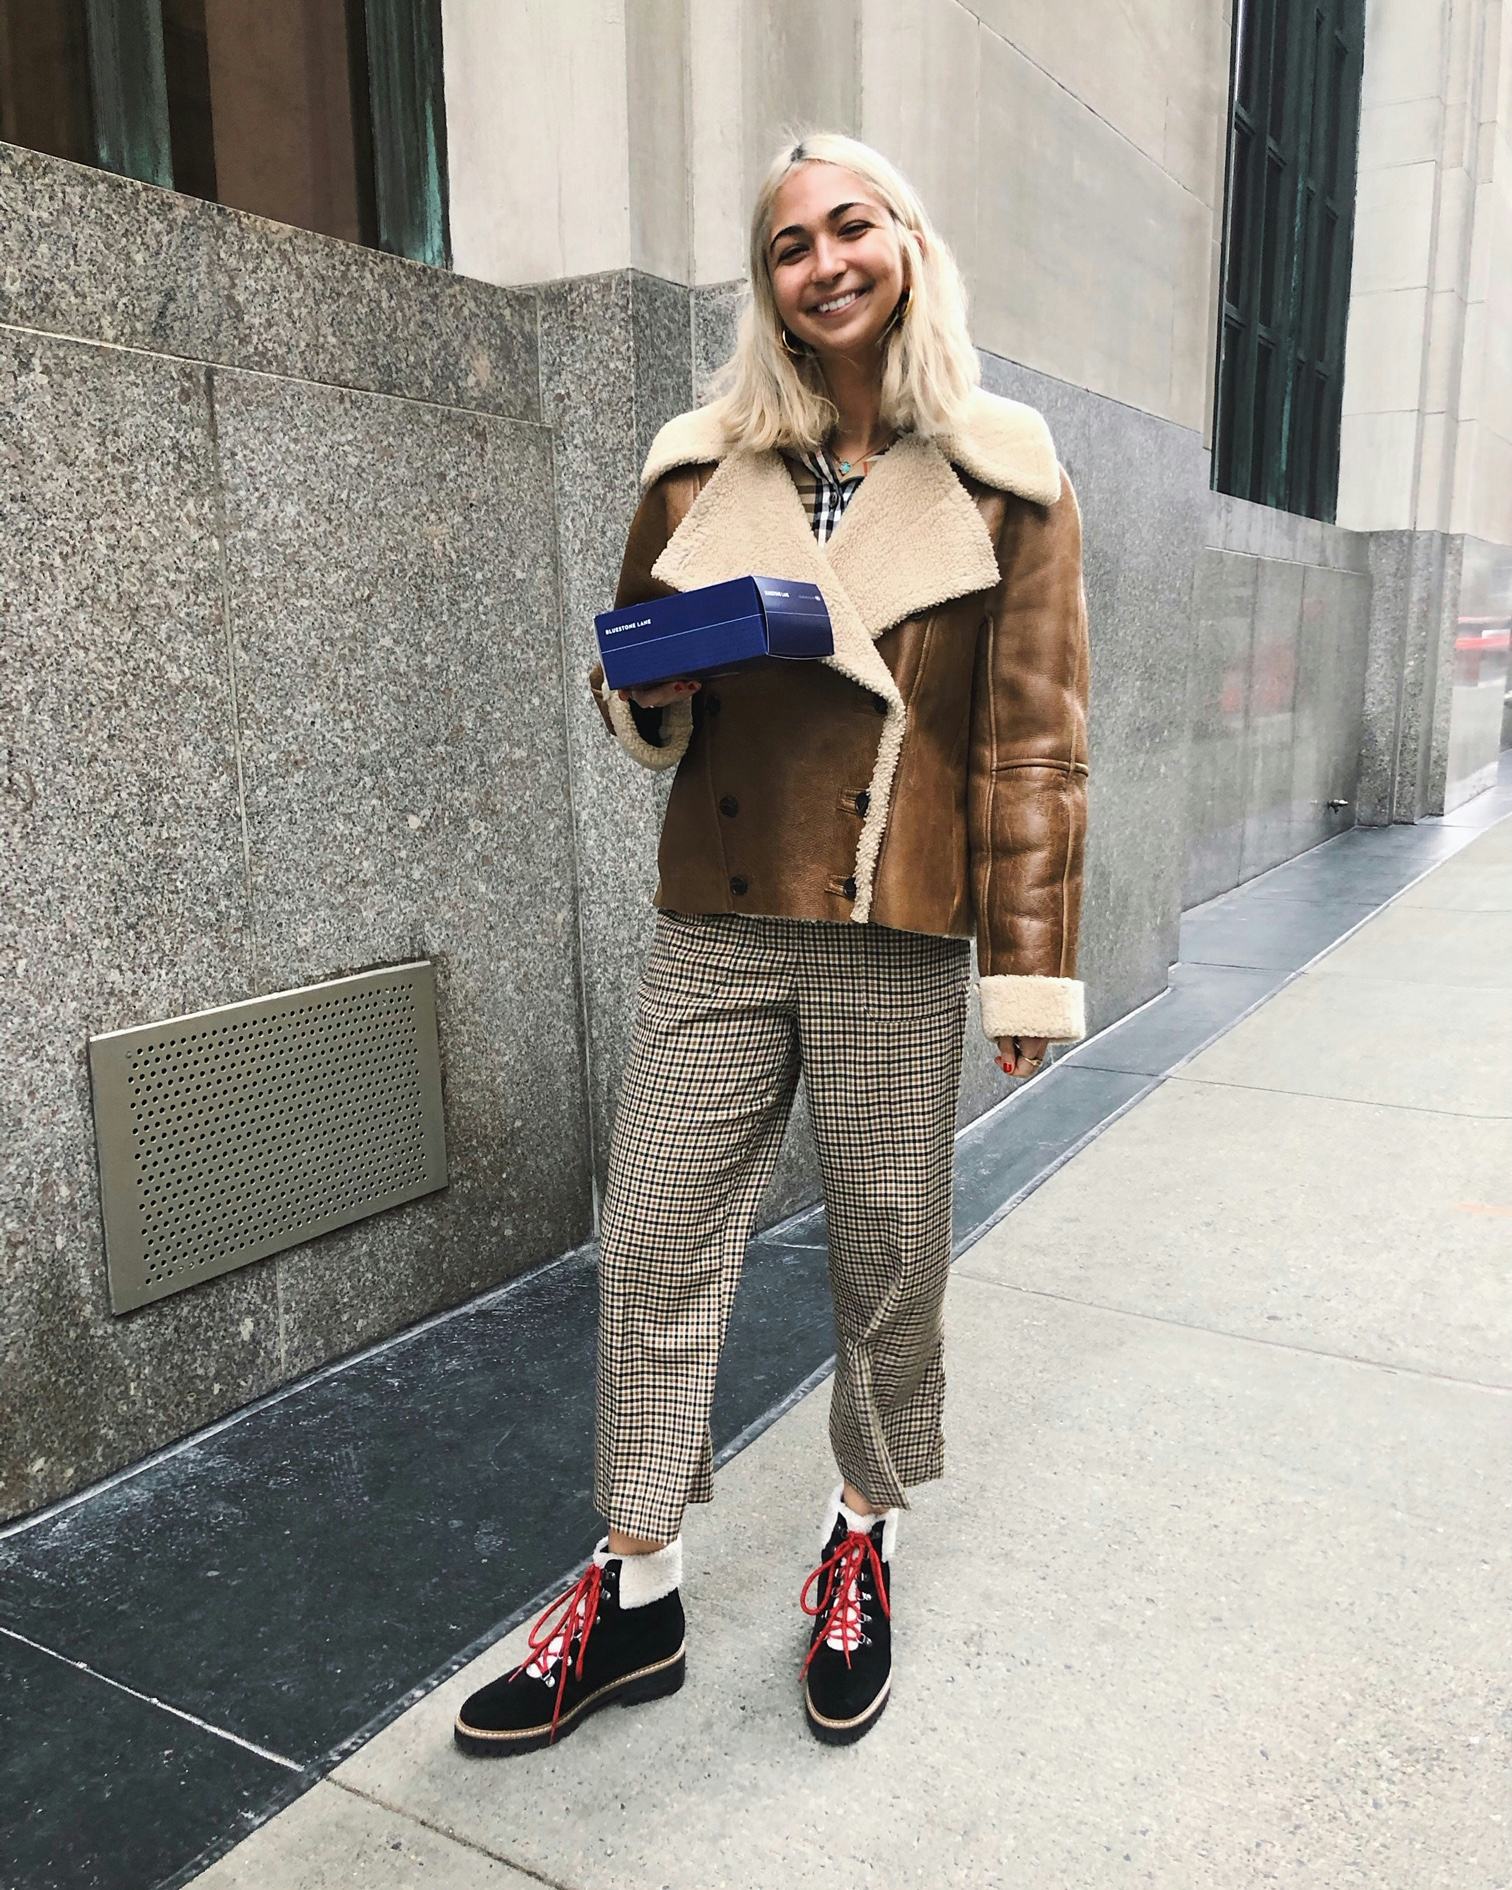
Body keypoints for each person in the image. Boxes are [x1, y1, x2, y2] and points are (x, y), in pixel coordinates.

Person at [454, 129, 1090, 1757]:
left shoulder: (1009, 474)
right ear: (769, 287)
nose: (824, 263)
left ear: (906, 243)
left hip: (896, 918)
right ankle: (638, 1584)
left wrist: (1030, 962)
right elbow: (634, 680)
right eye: (790, 245)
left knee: (889, 1255)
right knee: (657, 1238)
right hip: (723, 916)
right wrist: (650, 693)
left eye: (850, 227)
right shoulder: (699, 460)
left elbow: (1031, 741)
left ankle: (859, 1535)